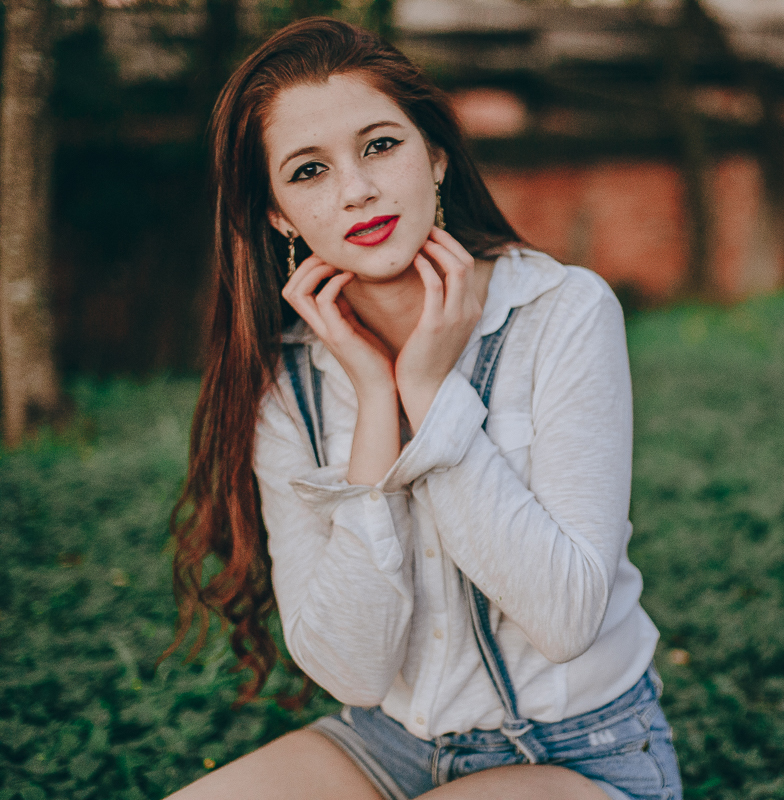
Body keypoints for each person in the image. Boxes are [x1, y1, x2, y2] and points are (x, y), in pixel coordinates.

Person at [165, 16, 681, 800]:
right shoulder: (287, 382)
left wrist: (432, 396)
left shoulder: (560, 312)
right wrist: (377, 399)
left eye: (380, 145)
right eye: (308, 171)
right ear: (277, 214)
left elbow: (568, 618)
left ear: (434, 156)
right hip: (383, 744)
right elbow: (353, 671)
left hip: (578, 753)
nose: (357, 189)